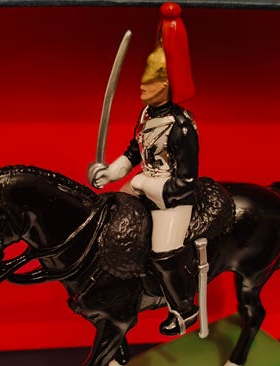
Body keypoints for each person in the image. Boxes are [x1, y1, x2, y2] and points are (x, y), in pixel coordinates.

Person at [94, 2, 199, 336]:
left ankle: (184, 309)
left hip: (172, 198)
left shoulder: (182, 126)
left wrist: (142, 183)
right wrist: (112, 172)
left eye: (150, 82)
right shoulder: (146, 115)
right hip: (144, 184)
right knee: (110, 223)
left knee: (163, 254)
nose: (141, 86)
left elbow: (185, 181)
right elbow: (134, 150)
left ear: (166, 85)